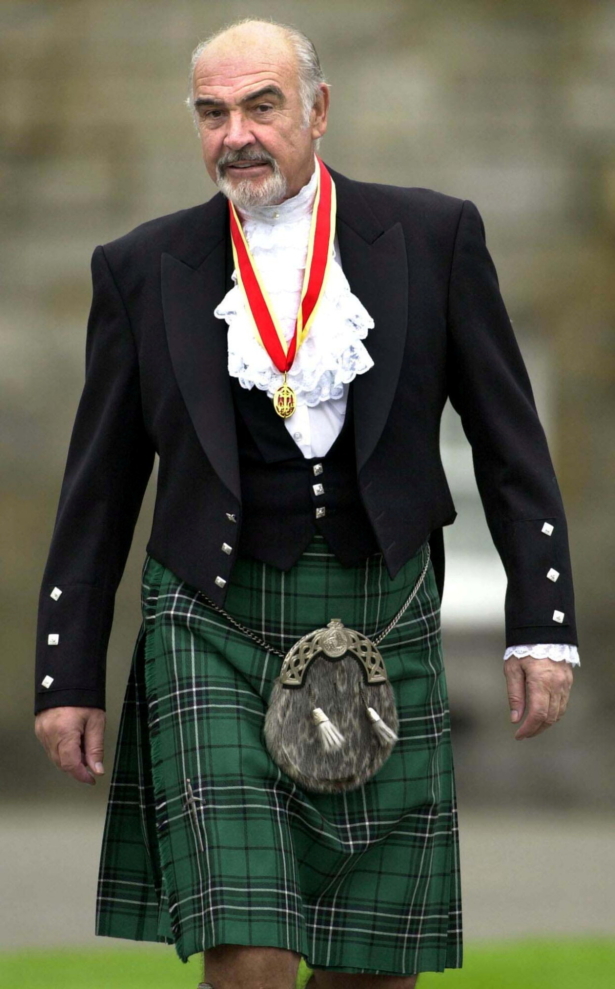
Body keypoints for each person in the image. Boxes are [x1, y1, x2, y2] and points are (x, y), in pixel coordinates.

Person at [33, 17, 580, 989]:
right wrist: (65, 671)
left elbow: (510, 444)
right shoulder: (139, 268)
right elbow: (99, 487)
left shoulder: (432, 237)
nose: (235, 134)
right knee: (249, 950)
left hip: (388, 614)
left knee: (374, 966)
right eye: (212, 113)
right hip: (210, 625)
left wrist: (542, 623)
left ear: (319, 110)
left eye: (261, 105)